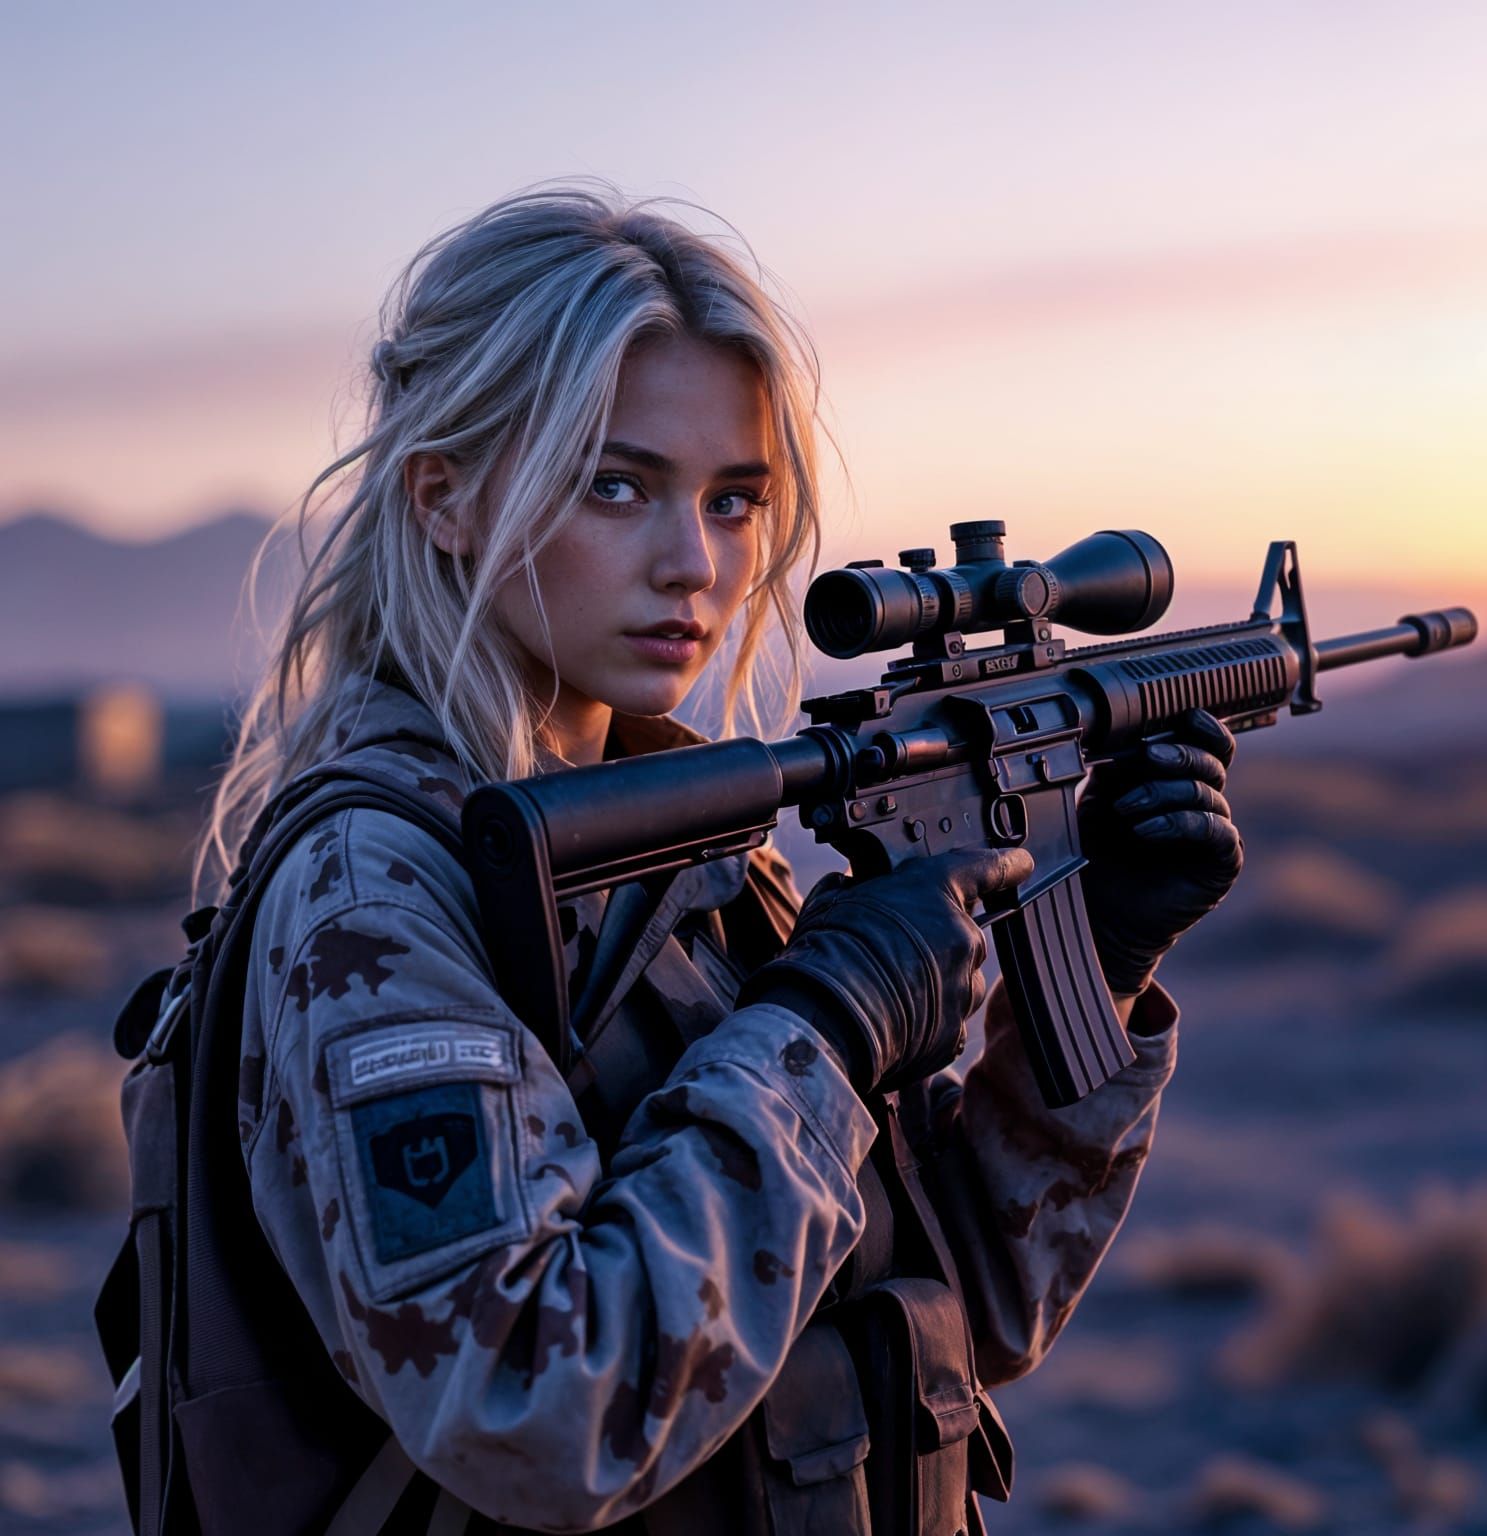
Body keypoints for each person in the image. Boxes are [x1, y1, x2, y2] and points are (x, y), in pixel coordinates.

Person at [179, 184, 1242, 1534]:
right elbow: (537, 1406)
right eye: (616, 486)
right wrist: (826, 1024)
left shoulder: (691, 857)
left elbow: (954, 1304)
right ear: (445, 499)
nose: (694, 563)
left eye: (736, 501)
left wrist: (1102, 956)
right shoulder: (375, 893)